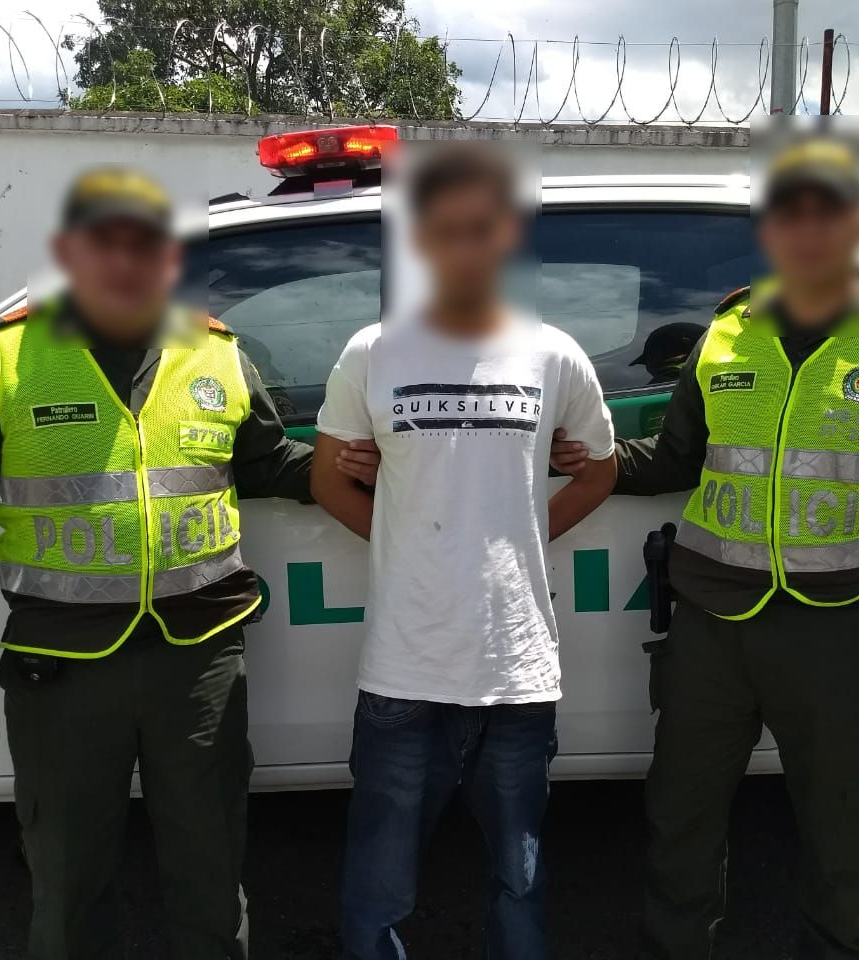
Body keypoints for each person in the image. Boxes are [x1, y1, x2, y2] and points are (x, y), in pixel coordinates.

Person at [552, 136, 859, 960]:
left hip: (843, 630)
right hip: (710, 623)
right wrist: (585, 461)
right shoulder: (730, 332)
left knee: (842, 838)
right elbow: (674, 459)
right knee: (679, 819)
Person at [0, 165, 378, 960]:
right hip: (63, 673)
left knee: (211, 877)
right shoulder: (4, 362)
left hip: (199, 667)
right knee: (68, 883)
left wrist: (362, 464)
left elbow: (263, 463)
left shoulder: (219, 355)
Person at [310, 143, 618, 959]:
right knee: (379, 881)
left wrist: (518, 534)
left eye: (480, 229)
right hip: (402, 669)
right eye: (443, 230)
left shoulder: (554, 354)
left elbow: (600, 470)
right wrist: (405, 538)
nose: (463, 246)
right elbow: (327, 481)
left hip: (515, 669)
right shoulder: (371, 352)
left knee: (518, 873)